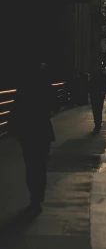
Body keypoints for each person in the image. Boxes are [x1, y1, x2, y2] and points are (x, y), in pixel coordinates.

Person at [9, 61, 55, 214]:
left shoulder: (24, 88)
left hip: (28, 132)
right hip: (42, 131)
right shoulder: (47, 87)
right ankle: (37, 197)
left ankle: (34, 196)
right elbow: (56, 105)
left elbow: (15, 109)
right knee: (40, 165)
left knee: (30, 165)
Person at [89, 65, 106, 133]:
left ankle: (97, 124)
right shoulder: (103, 77)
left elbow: (90, 86)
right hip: (100, 95)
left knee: (95, 110)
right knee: (99, 110)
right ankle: (98, 124)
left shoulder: (93, 77)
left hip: (94, 95)